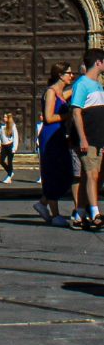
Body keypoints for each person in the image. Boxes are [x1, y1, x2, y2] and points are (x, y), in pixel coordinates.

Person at [34, 62, 74, 226]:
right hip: (50, 135)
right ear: (60, 75)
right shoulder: (51, 92)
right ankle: (55, 214)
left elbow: (68, 94)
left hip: (58, 135)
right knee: (53, 171)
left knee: (65, 172)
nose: (71, 76)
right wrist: (67, 116)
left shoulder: (59, 93)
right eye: (69, 73)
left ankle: (43, 203)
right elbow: (49, 117)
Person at [70, 48, 104, 229]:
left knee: (90, 177)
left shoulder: (98, 84)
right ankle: (95, 213)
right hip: (88, 138)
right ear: (98, 62)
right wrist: (83, 138)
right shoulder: (81, 84)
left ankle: (80, 214)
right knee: (91, 175)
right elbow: (76, 112)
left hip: (98, 138)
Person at [0, 113, 20, 182]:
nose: (4, 118)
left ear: (9, 118)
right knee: (1, 161)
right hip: (3, 146)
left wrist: (14, 148)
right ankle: (10, 172)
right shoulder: (2, 126)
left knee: (10, 162)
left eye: (6, 117)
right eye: (4, 117)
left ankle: (9, 176)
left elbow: (16, 137)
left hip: (10, 145)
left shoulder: (12, 126)